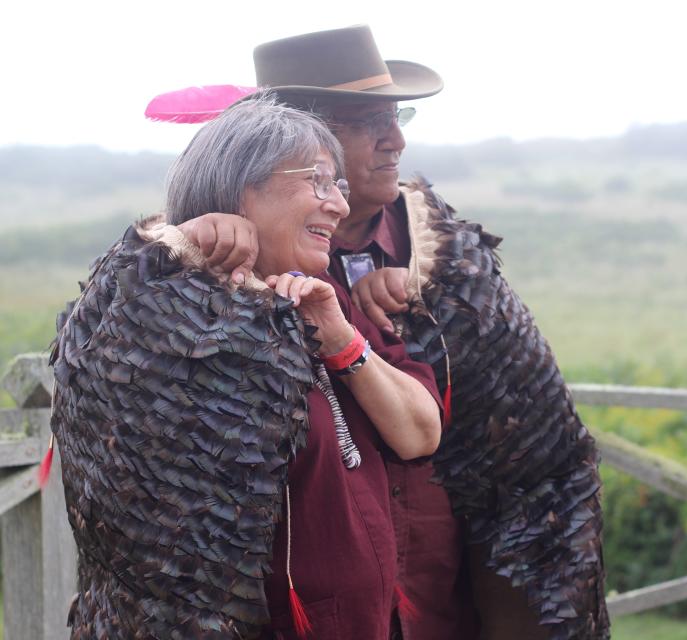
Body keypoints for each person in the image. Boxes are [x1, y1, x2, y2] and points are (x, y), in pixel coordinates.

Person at [171, 25, 610, 640]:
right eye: (365, 120)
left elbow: (525, 444)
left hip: (447, 594)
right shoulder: (212, 269)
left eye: (395, 114)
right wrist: (212, 246)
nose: (396, 139)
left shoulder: (446, 260)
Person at [51, 95, 442, 639]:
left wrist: (341, 341)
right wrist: (182, 245)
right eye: (319, 181)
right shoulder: (167, 319)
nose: (337, 206)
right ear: (240, 188)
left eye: (340, 187)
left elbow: (419, 434)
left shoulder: (326, 297)